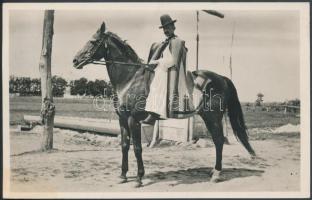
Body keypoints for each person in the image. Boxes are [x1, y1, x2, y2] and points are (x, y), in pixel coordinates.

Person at [141, 14, 192, 125]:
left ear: (173, 27)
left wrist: (158, 62)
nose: (165, 30)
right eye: (164, 28)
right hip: (163, 69)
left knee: (159, 85)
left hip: (172, 71)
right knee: (153, 84)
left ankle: (156, 114)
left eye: (168, 27)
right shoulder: (166, 43)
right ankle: (152, 112)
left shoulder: (176, 41)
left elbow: (173, 61)